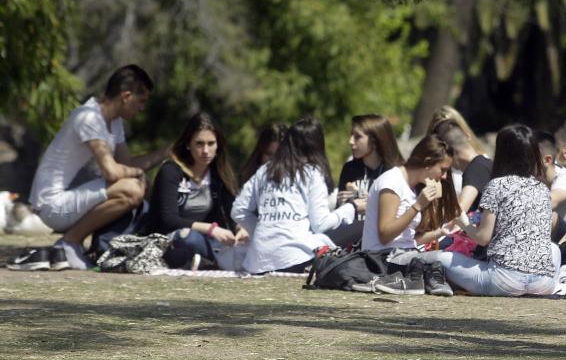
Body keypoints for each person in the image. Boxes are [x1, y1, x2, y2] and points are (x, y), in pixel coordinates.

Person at [20, 64, 169, 270]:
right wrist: (138, 174)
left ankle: (79, 244)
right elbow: (113, 172)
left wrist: (166, 153)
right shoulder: (89, 117)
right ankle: (69, 242)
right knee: (132, 189)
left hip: (71, 201)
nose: (142, 108)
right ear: (126, 96)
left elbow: (127, 165)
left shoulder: (114, 122)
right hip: (53, 206)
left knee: (135, 187)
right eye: (141, 101)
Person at [231, 117, 364, 274]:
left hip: (258, 261)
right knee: (363, 227)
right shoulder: (312, 172)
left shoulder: (265, 170)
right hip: (295, 257)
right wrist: (353, 207)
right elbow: (320, 224)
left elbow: (238, 210)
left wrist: (265, 231)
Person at [444, 124, 560, 297]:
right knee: (554, 249)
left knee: (439, 258)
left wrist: (464, 223)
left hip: (504, 281)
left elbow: (483, 238)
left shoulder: (497, 185)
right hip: (544, 284)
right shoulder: (542, 189)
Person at [148, 112, 244, 270]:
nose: (205, 150)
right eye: (199, 143)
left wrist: (240, 229)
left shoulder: (218, 173)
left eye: (211, 143)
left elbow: (230, 210)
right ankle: (214, 263)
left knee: (238, 242)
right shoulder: (171, 171)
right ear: (188, 144)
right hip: (170, 238)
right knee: (189, 238)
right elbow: (169, 219)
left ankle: (207, 262)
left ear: (218, 145)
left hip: (207, 238)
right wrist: (211, 229)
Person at [361, 134, 460, 252]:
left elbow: (409, 240)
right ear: (428, 163)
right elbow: (385, 236)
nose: (444, 176)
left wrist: (442, 231)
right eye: (442, 170)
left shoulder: (413, 187)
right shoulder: (392, 181)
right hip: (381, 260)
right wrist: (417, 206)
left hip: (403, 255)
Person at [336, 114, 404, 208]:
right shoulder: (349, 168)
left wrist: (372, 206)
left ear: (375, 140)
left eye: (357, 136)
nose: (351, 141)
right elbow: (340, 214)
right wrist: (342, 204)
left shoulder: (396, 172)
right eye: (351, 135)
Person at [433, 119, 492, 213]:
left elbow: (459, 213)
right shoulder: (487, 163)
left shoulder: (474, 171)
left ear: (446, 152)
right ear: (467, 136)